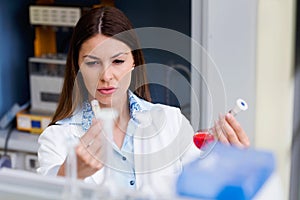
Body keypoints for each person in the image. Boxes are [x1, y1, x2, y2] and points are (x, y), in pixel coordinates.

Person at [37, 6, 250, 196]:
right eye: (92, 63)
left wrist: (229, 164)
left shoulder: (171, 121)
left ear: (134, 62)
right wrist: (69, 175)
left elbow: (202, 190)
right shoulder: (56, 139)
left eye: (118, 61)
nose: (106, 75)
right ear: (78, 67)